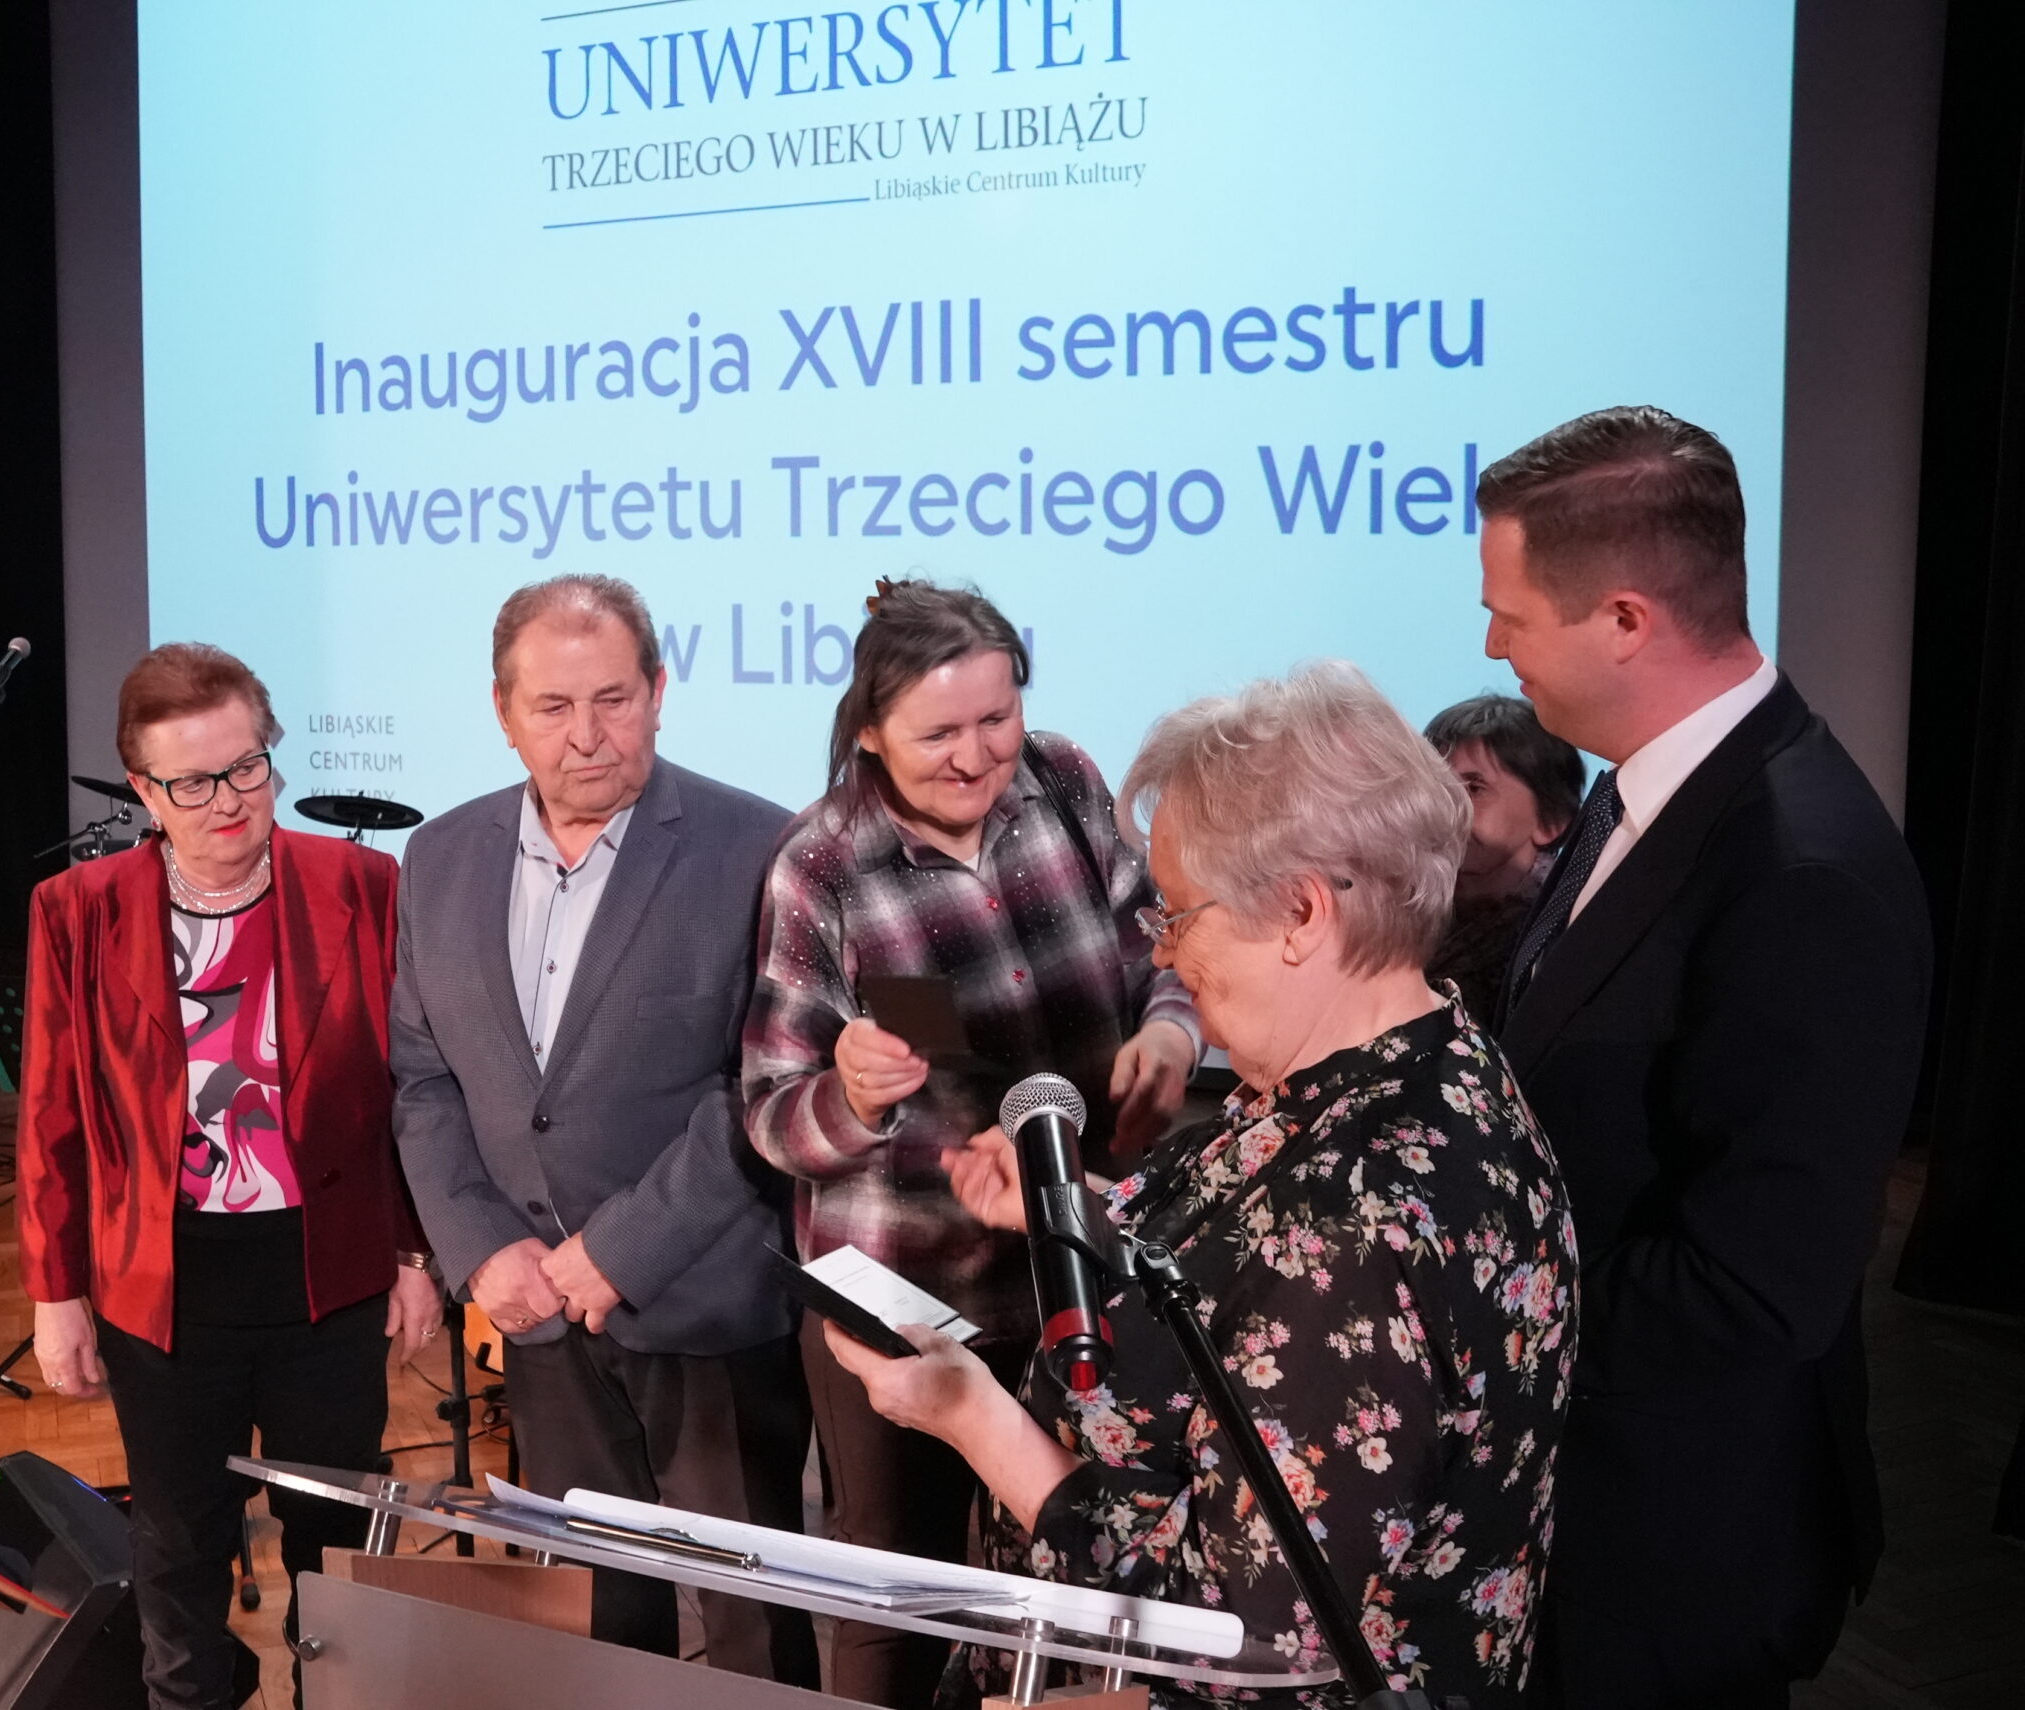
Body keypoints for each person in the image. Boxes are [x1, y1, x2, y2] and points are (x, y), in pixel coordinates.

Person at [828, 662, 1579, 1709]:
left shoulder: (1361, 1219)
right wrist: (1078, 1218)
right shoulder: (1414, 1065)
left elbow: (1244, 1630)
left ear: (1302, 913)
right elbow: (1244, 1289)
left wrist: (973, 1418)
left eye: (1180, 917)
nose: (1168, 955)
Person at [1476, 406, 1930, 1707]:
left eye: (1510, 614)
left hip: (1675, 1544)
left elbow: (1757, 1286)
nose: (1492, 645)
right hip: (1591, 1504)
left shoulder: (1803, 872)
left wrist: (1477, 1335)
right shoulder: (1641, 783)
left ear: (1625, 620)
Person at [742, 578, 1199, 1707]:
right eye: (938, 734)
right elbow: (773, 1119)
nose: (977, 756)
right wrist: (852, 1098)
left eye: (997, 719)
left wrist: (1171, 1033)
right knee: (902, 1602)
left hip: (1080, 1269)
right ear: (868, 732)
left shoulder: (1068, 782)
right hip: (908, 1296)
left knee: (1077, 1581)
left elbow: (1168, 950)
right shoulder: (820, 864)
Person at [391, 574, 818, 1687]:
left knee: (752, 1626)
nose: (586, 736)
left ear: (659, 692)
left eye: (613, 700)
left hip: (706, 1303)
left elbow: (761, 1090)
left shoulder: (758, 848)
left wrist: (616, 1250)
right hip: (532, 1308)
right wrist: (483, 1248)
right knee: (594, 1614)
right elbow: (425, 1081)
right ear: (503, 712)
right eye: (552, 706)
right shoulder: (439, 858)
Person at [19, 642, 438, 1710]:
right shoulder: (79, 908)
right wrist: (55, 1292)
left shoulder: (363, 885)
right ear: (143, 789)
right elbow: (53, 1116)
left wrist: (413, 1252)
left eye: (246, 767)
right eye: (193, 782)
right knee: (177, 1542)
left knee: (334, 1536)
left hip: (328, 1276)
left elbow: (410, 1090)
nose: (228, 801)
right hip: (163, 1287)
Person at [1422, 695, 1584, 1019]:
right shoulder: (1402, 903)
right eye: (1435, 787)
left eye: (1474, 788)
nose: (1446, 807)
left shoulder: (1563, 934)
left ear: (1551, 821)